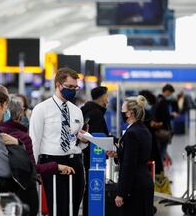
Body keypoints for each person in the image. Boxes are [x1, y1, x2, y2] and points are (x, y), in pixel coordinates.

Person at [0, 95, 75, 216]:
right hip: (23, 191)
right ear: (20, 114)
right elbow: (32, 168)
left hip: (1, 191)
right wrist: (56, 166)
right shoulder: (23, 137)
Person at [29, 67, 88, 216]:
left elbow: (77, 141)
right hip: (52, 162)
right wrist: (34, 169)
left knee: (73, 208)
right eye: (69, 87)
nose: (73, 91)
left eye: (76, 87)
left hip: (75, 162)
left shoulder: (77, 111)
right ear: (58, 85)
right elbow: (34, 141)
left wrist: (84, 139)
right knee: (57, 208)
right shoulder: (41, 109)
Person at [107, 95, 154, 216]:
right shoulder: (143, 129)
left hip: (135, 185)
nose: (121, 113)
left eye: (123, 111)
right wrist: (118, 154)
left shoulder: (131, 133)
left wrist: (121, 193)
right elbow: (137, 156)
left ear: (130, 113)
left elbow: (129, 165)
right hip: (145, 182)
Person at [80, 86, 110, 216]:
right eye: (106, 96)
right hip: (94, 159)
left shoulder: (85, 110)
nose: (108, 100)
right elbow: (97, 137)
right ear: (102, 97)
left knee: (88, 187)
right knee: (94, 188)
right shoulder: (97, 114)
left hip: (84, 155)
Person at [154, 84, 178, 163]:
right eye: (170, 93)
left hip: (157, 130)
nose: (170, 95)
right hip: (163, 130)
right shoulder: (163, 101)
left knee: (159, 151)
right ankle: (160, 172)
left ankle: (159, 171)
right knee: (162, 151)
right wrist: (172, 116)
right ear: (167, 92)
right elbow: (164, 117)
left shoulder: (157, 99)